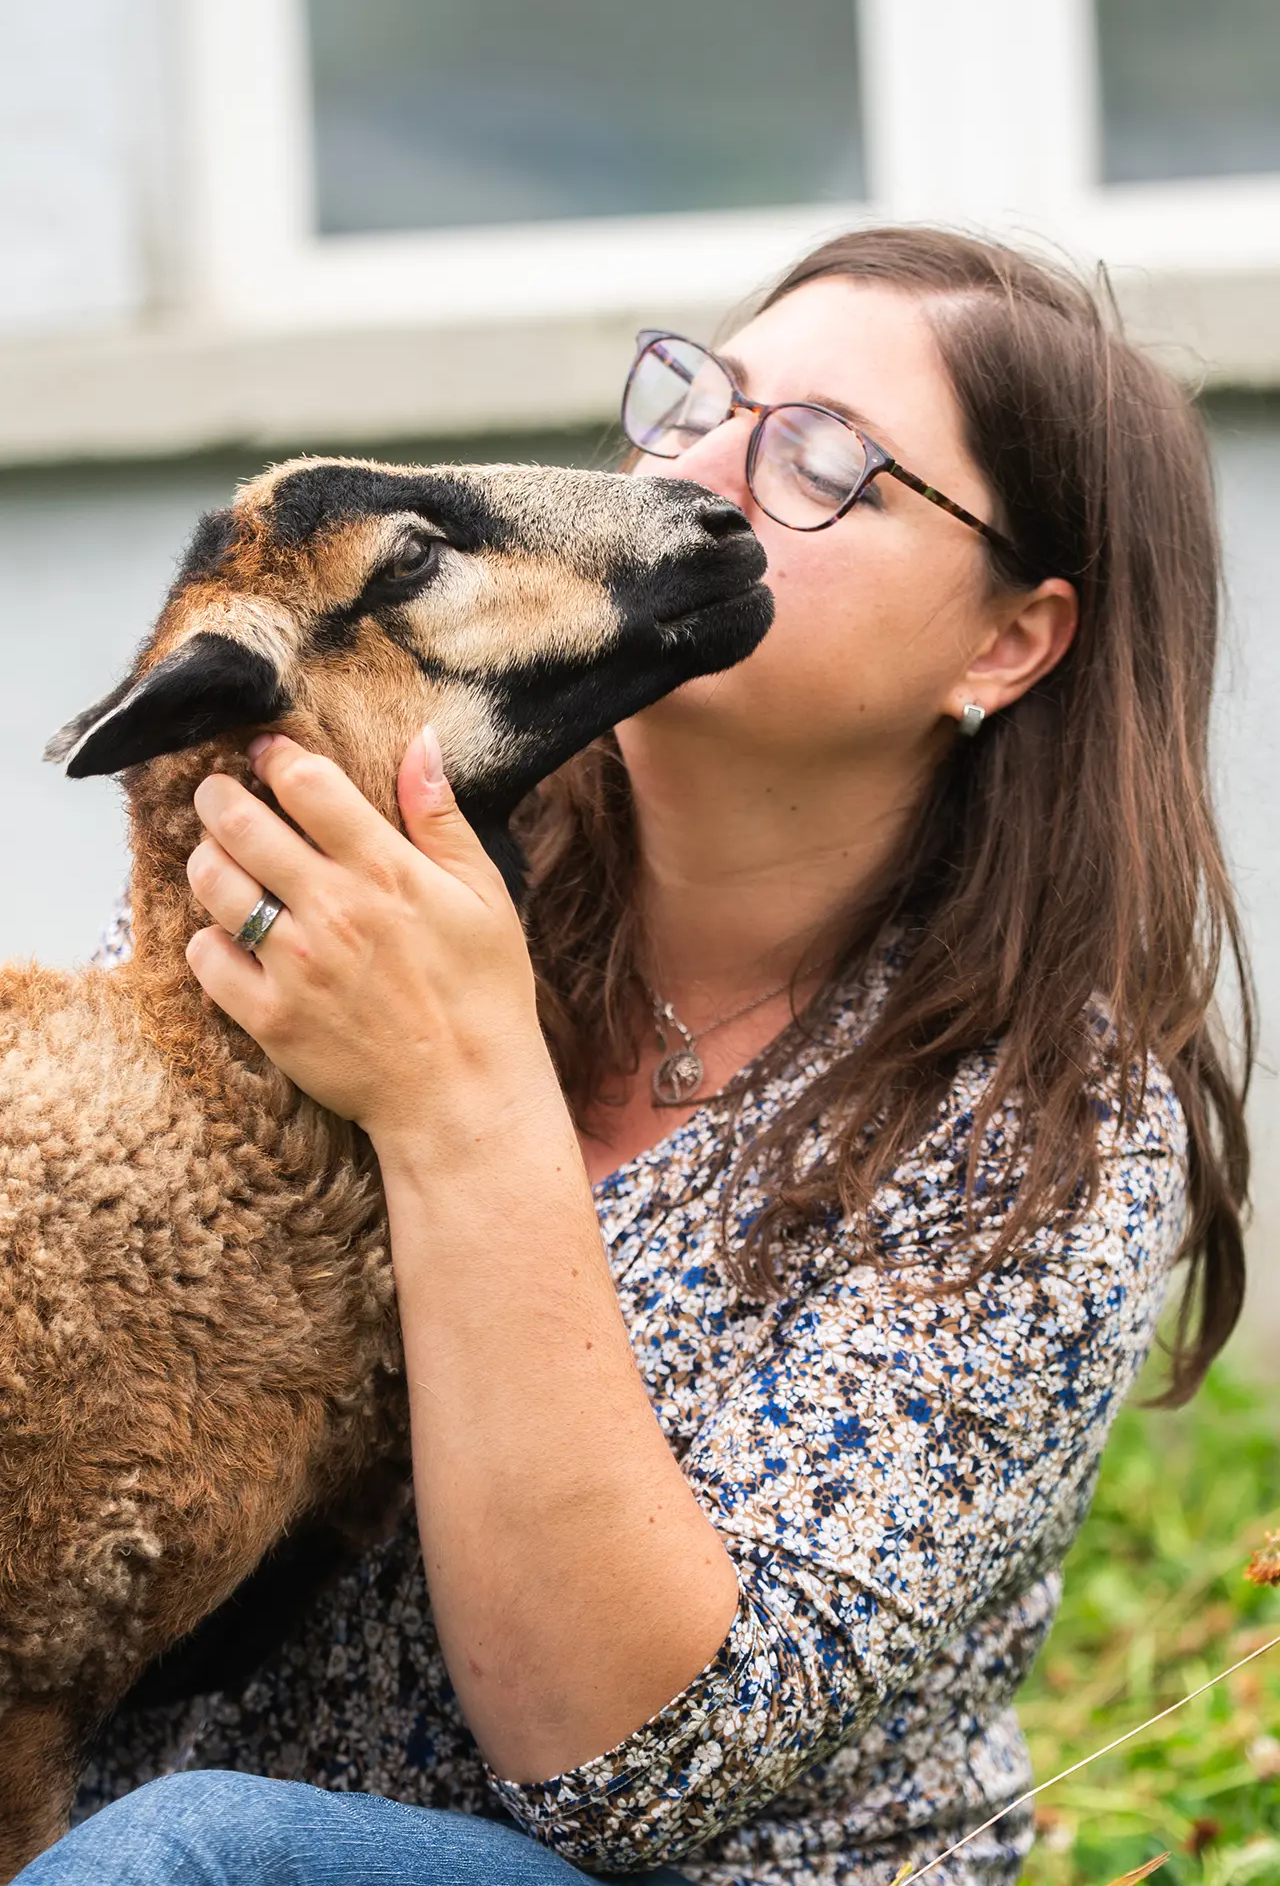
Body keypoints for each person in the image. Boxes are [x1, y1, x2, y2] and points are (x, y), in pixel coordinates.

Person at [24, 227, 1251, 1886]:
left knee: (192, 1858)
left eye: (830, 462)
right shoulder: (351, 894)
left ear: (1005, 645)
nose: (702, 469)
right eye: (702, 398)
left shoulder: (1042, 1133)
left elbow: (628, 1770)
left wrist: (461, 1100)